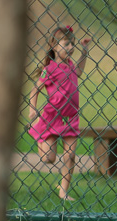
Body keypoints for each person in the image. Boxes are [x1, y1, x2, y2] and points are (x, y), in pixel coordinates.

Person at [28, 26, 90, 201]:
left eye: (72, 44)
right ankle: (38, 132)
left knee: (70, 156)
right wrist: (32, 109)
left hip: (71, 118)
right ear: (54, 46)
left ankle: (63, 191)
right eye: (66, 44)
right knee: (49, 158)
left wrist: (84, 52)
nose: (71, 47)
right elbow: (35, 90)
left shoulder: (71, 66)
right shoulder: (50, 69)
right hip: (52, 118)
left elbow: (79, 71)